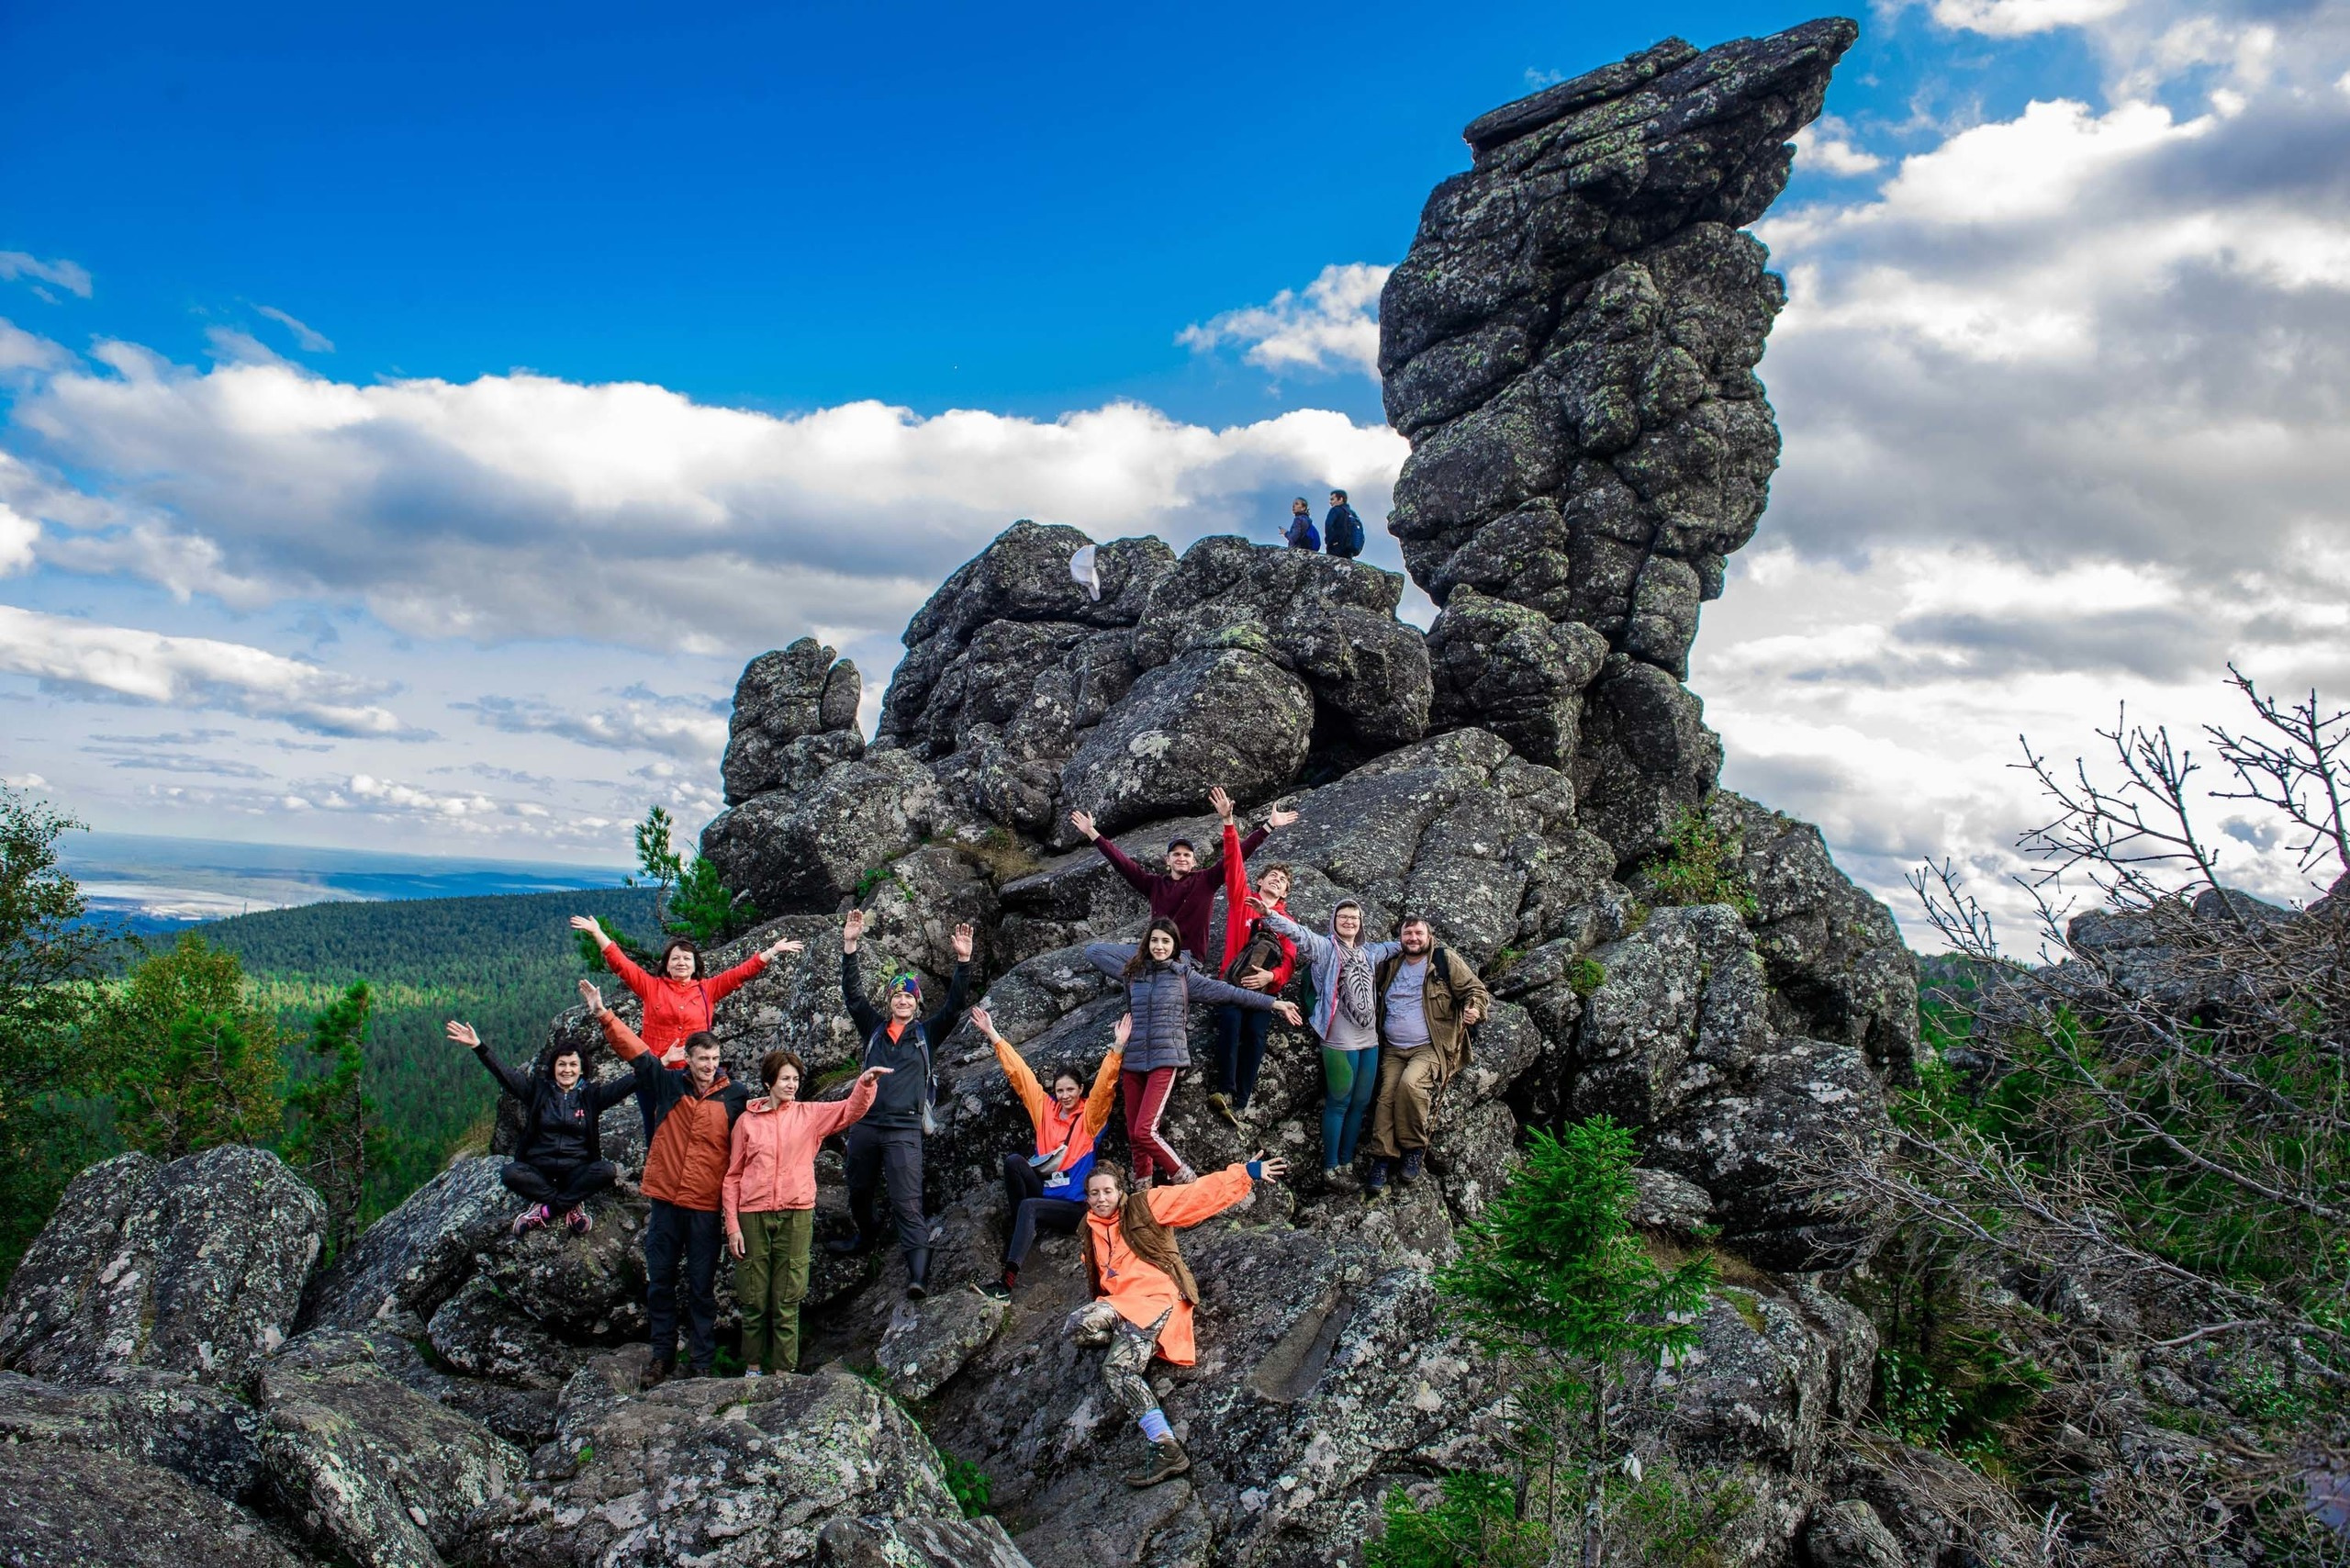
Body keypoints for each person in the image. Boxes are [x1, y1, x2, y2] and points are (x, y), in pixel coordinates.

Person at [1069, 1154, 1290, 1486]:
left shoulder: (1146, 1204)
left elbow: (1196, 1195)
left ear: (1120, 1191)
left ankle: (1165, 1445)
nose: (1101, 1199)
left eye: (1108, 1191)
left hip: (1156, 1299)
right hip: (1119, 1304)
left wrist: (1246, 1173)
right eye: (1095, 1193)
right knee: (1077, 1326)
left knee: (1117, 1368)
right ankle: (1132, 1340)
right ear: (1087, 1197)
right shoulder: (1088, 1229)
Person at [579, 984, 755, 1382]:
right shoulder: (668, 1084)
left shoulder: (736, 1096)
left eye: (715, 1058)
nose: (709, 1065)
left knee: (701, 1287)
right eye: (702, 1058)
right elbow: (637, 1053)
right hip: (665, 1202)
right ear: (687, 1058)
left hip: (705, 1206)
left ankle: (701, 1362)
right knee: (660, 1281)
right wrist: (603, 1013)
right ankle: (662, 1356)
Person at [823, 911, 974, 1300]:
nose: (903, 1000)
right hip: (866, 1124)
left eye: (909, 996)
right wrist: (850, 946)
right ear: (890, 1001)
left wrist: (963, 961)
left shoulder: (926, 1034)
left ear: (916, 1003)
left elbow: (955, 1006)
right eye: (897, 995)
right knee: (858, 1189)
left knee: (907, 1202)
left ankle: (918, 1274)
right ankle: (866, 1236)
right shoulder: (873, 1028)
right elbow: (853, 996)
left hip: (905, 1129)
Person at [1086, 919, 1301, 1186]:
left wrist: (1273, 1003)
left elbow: (1228, 992)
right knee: (1134, 1134)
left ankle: (1187, 1180)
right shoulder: (1133, 973)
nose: (1159, 946)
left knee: (1145, 1131)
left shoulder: (1183, 976)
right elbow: (1093, 952)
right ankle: (1143, 1190)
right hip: (1134, 1058)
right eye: (1154, 940)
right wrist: (1139, 954)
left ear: (1175, 946)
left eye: (1166, 941)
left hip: (1166, 1057)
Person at [723, 1049, 890, 1378]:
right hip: (753, 1214)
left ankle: (783, 1371)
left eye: (795, 1079)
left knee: (789, 1294)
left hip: (797, 1213)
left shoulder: (809, 1114)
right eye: (785, 1078)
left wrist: (866, 1084)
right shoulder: (746, 1122)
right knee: (753, 1295)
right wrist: (733, 1226)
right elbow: (733, 1177)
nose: (791, 1085)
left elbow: (849, 1110)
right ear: (768, 1082)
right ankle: (753, 1369)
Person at [568, 915, 803, 1144]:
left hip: (694, 1075)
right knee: (655, 1132)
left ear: (695, 965)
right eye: (675, 958)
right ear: (666, 965)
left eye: (686, 958)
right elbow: (622, 965)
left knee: (693, 1134)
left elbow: (740, 974)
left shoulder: (707, 989)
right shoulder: (651, 987)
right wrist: (598, 933)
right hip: (656, 1072)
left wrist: (771, 952)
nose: (681, 962)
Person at [967, 1004, 1124, 1300]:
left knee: (1030, 1207)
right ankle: (1022, 1230)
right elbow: (1020, 1075)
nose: (1065, 1096)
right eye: (1060, 1091)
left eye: (1070, 1090)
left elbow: (1105, 1088)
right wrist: (993, 1034)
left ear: (1080, 1090)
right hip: (1046, 1190)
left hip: (1074, 1206)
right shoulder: (1045, 1110)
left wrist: (1117, 1048)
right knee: (1014, 1162)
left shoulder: (1089, 1118)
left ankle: (1005, 1284)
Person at [1069, 784, 1297, 965]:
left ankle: (1150, 976)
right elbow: (1123, 864)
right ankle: (1143, 974)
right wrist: (1092, 832)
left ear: (1194, 861)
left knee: (1160, 968)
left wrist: (1268, 826)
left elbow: (1237, 856)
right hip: (1156, 952)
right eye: (1176, 854)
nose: (1182, 858)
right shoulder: (1153, 884)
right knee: (1095, 951)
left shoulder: (1206, 880)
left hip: (1186, 957)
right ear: (1167, 861)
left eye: (1187, 855)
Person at [448, 1019, 637, 1236]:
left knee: (606, 1171)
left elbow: (629, 1083)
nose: (567, 1070)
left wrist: (661, 1062)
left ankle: (545, 1211)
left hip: (576, 1171)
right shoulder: (538, 1092)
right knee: (511, 1173)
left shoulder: (591, 1097)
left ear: (581, 1069)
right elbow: (506, 1075)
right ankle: (570, 1204)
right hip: (539, 1171)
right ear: (554, 1068)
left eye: (573, 1065)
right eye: (562, 1064)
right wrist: (479, 1046)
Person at [1250, 898, 1381, 1185]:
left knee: (1360, 1103)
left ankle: (1347, 1161)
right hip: (1338, 1040)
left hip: (1369, 1040)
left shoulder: (1369, 952)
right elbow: (1299, 934)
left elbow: (1400, 946)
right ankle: (1331, 1167)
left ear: (1361, 923)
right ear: (1334, 920)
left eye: (1354, 917)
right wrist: (1269, 915)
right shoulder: (1325, 947)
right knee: (1339, 1102)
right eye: (1343, 916)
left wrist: (1427, 943)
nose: (1349, 921)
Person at [1361, 916, 1490, 1196]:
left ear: (1429, 936)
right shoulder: (1391, 963)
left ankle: (1413, 1148)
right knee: (1386, 1096)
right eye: (1407, 933)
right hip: (1393, 1047)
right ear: (1400, 938)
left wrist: (1475, 1009)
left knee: (1410, 1085)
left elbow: (1474, 990)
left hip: (1430, 1046)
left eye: (1418, 933)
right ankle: (1383, 1157)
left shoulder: (1444, 960)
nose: (1413, 938)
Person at [1207, 803, 1298, 1126]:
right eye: (1272, 876)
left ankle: (1242, 1100)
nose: (1276, 880)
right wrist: (1229, 823)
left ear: (1285, 892)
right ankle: (1225, 1090)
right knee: (1230, 1024)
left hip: (1264, 992)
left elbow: (1290, 959)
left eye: (1282, 880)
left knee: (1256, 1036)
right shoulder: (1242, 900)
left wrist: (1270, 977)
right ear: (1259, 881)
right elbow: (1233, 863)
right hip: (1232, 985)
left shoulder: (1287, 922)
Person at [1323, 489, 1365, 560]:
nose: (1330, 502)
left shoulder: (1335, 510)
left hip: (1335, 547)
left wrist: (1329, 541)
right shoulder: (1352, 513)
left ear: (1340, 499)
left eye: (1332, 499)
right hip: (1348, 549)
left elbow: (1328, 525)